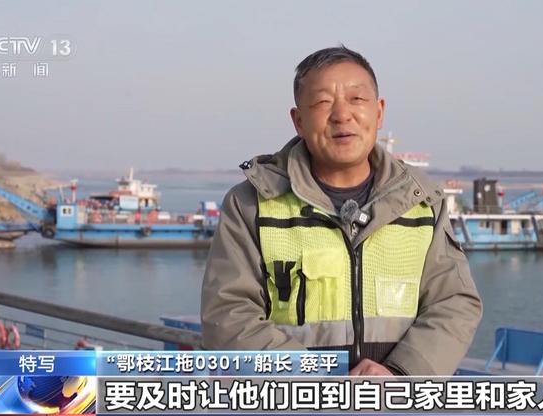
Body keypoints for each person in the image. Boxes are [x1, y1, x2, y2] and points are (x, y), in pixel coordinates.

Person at [201, 46, 482, 376]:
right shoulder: (252, 204)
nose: (342, 115)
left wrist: (400, 373)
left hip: (396, 403)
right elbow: (228, 314)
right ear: (299, 121)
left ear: (379, 112)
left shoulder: (422, 201)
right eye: (323, 102)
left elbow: (454, 303)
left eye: (357, 99)